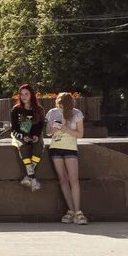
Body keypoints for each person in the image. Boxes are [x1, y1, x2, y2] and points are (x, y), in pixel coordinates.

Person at [47, 92, 87, 225]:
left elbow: (80, 134)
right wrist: (54, 128)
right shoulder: (52, 113)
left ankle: (78, 211)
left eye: (62, 102)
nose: (60, 104)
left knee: (73, 179)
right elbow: (47, 132)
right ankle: (71, 210)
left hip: (70, 148)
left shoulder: (76, 113)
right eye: (58, 101)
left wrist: (65, 128)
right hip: (56, 147)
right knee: (63, 179)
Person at [10, 84, 46, 191]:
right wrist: (23, 136)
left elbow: (39, 126)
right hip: (19, 135)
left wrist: (35, 136)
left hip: (34, 135)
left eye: (26, 94)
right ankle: (33, 178)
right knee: (24, 147)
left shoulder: (39, 109)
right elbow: (15, 128)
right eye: (21, 94)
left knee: (39, 145)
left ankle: (28, 177)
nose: (23, 96)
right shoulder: (16, 109)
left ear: (32, 95)